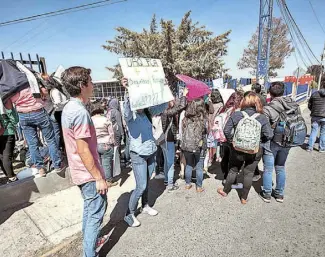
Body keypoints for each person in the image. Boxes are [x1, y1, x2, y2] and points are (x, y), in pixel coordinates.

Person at [61, 67, 108, 256]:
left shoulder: (69, 108)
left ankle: (91, 242)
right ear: (82, 86)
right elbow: (83, 149)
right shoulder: (79, 113)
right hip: (88, 173)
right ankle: (90, 252)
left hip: (80, 171)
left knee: (90, 211)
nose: (93, 84)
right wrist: (98, 177)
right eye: (90, 80)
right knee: (95, 213)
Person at [217, 92, 272, 204]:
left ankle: (225, 191)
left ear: (244, 102)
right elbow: (269, 135)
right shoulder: (262, 117)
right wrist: (259, 142)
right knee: (249, 173)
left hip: (237, 148)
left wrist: (232, 141)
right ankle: (244, 198)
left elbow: (226, 130)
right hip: (254, 150)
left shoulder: (237, 115)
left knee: (233, 170)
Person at [121, 78, 159, 228]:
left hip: (151, 152)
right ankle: (128, 214)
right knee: (141, 185)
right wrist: (128, 90)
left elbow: (163, 104)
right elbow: (126, 110)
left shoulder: (148, 113)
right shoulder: (131, 116)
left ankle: (145, 206)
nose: (141, 104)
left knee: (147, 182)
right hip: (138, 154)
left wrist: (165, 89)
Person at [260, 82, 300, 203]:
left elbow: (265, 129)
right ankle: (279, 194)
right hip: (287, 140)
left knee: (268, 168)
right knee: (281, 167)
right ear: (283, 91)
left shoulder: (268, 108)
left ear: (270, 93)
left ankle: (267, 193)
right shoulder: (294, 105)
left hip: (271, 142)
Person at [10, 86, 62, 177]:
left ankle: (40, 169)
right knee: (50, 140)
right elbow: (44, 91)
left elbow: (8, 102)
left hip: (23, 114)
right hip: (38, 110)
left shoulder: (9, 84)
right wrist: (43, 99)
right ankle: (57, 165)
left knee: (32, 144)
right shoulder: (29, 77)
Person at [160, 89, 188, 192]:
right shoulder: (167, 112)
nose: (174, 101)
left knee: (167, 162)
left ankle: (167, 181)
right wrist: (184, 95)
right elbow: (180, 107)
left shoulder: (162, 111)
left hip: (162, 140)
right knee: (170, 163)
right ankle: (170, 185)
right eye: (172, 99)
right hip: (168, 140)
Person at [181, 98, 207, 192]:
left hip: (187, 146)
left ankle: (188, 184)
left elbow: (183, 132)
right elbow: (204, 134)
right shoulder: (203, 120)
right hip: (198, 147)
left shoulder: (185, 118)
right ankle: (199, 187)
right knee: (199, 166)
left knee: (189, 164)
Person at [91, 102, 118, 188]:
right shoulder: (105, 119)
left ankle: (100, 179)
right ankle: (108, 181)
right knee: (107, 163)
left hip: (95, 144)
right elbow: (111, 133)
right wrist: (114, 142)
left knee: (98, 163)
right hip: (106, 143)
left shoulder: (90, 120)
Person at [219, 91, 244, 181]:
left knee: (225, 156)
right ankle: (231, 179)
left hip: (224, 138)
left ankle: (226, 176)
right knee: (233, 160)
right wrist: (231, 140)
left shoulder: (226, 109)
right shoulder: (238, 111)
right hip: (232, 138)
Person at [0, 99, 19, 183]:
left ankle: (8, 176)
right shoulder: (4, 98)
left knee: (1, 156)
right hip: (7, 131)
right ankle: (11, 177)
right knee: (7, 156)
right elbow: (15, 120)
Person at [207, 90, 224, 165]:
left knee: (209, 143)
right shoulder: (221, 105)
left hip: (209, 124)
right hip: (216, 126)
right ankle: (215, 156)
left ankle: (210, 158)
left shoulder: (209, 103)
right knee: (216, 143)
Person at [307, 82, 325, 152]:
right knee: (323, 133)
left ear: (322, 85)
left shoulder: (314, 94)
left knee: (313, 131)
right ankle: (322, 148)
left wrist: (313, 111)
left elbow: (309, 105)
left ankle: (310, 147)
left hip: (315, 116)